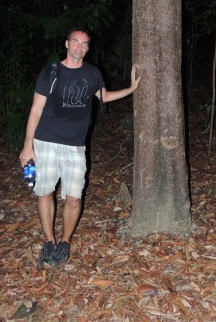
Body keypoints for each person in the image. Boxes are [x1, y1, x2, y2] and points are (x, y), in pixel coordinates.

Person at [19, 27, 140, 268]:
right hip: (46, 142)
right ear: (67, 44)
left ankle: (65, 241)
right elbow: (36, 110)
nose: (80, 47)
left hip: (75, 145)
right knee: (45, 192)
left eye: (84, 44)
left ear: (88, 47)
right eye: (75, 42)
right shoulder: (51, 72)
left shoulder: (92, 73)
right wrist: (27, 146)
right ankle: (49, 241)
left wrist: (131, 89)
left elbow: (103, 97)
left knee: (74, 198)